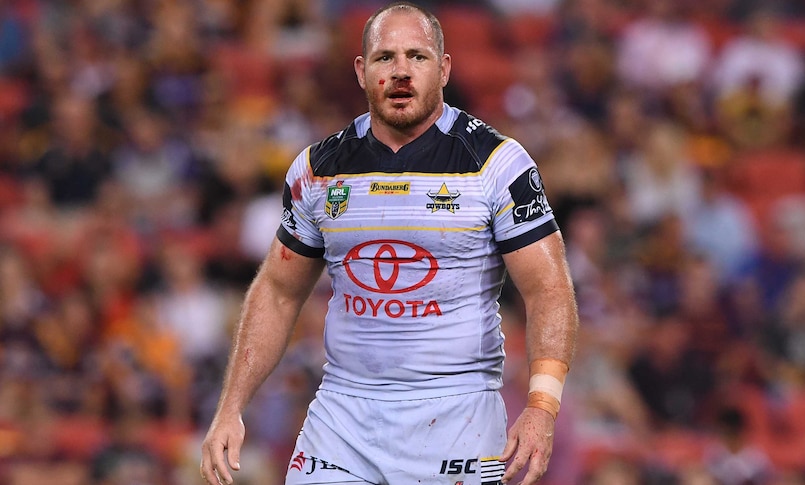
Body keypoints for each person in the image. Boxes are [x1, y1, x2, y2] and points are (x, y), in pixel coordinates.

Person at [199, 3, 579, 485]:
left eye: (417, 57)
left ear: (443, 69)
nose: (401, 72)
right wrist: (231, 407)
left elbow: (549, 287)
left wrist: (542, 408)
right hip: (342, 414)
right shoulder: (318, 169)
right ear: (361, 71)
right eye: (385, 58)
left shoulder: (498, 165)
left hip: (457, 415)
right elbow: (278, 290)